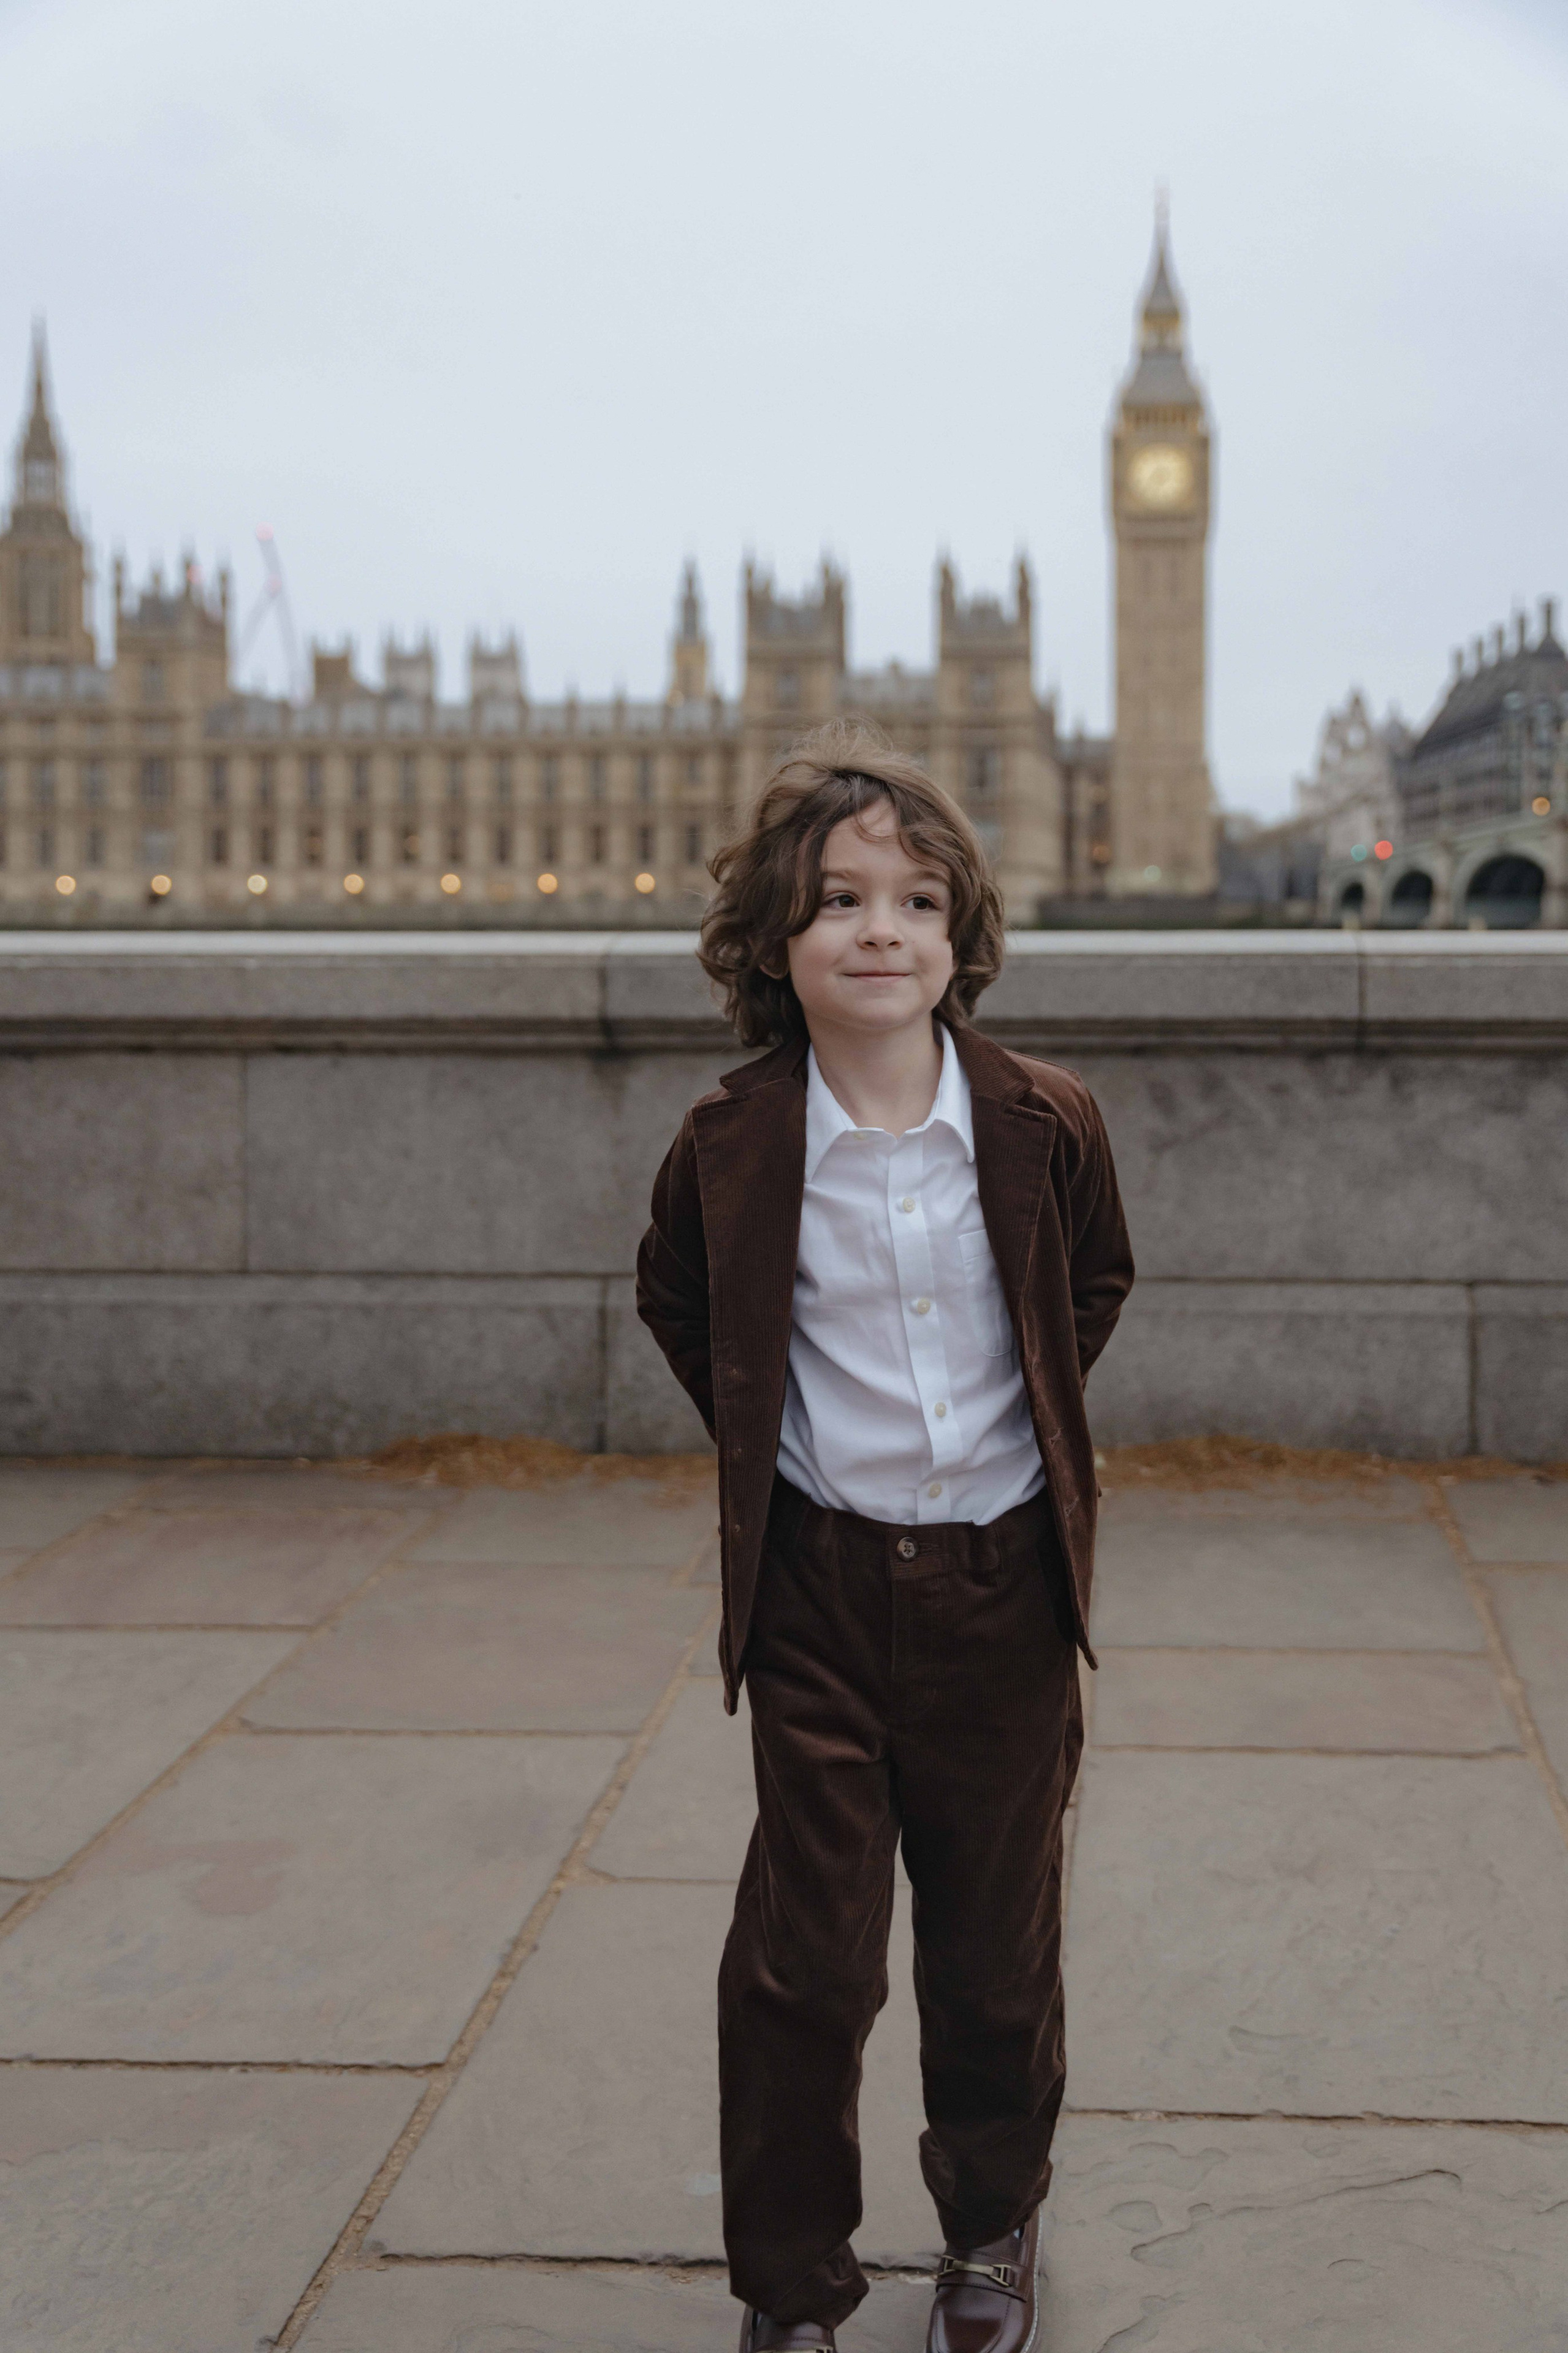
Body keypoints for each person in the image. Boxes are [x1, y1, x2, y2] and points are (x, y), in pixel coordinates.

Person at [636, 720, 1133, 2353]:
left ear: (959, 932)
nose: (880, 931)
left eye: (916, 901)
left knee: (997, 1957)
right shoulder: (730, 1141)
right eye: (841, 901)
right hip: (821, 1590)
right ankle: (795, 2287)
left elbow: (1092, 1286)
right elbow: (684, 1304)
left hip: (1002, 1584)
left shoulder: (1044, 1119)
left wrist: (1018, 1431)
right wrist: (782, 1453)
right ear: (780, 938)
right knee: (804, 1964)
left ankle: (990, 2233)